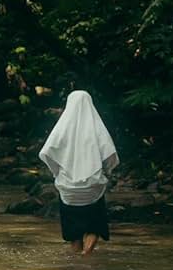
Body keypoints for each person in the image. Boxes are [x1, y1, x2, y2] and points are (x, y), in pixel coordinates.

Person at [39, 90, 119, 255]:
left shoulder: (62, 129)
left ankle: (76, 263)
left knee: (73, 233)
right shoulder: (96, 127)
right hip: (92, 187)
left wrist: (57, 173)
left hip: (68, 189)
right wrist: (107, 171)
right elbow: (110, 154)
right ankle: (86, 256)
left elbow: (46, 153)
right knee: (94, 227)